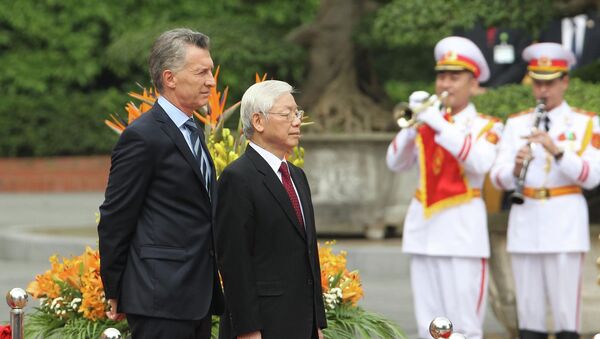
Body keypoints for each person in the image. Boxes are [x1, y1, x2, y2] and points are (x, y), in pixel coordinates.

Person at [97, 28, 224, 339]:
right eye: (202, 72)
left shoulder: (193, 129)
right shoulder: (142, 136)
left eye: (211, 71)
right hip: (160, 299)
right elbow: (116, 216)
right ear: (170, 78)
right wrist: (114, 287)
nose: (211, 80)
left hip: (196, 296)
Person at [386, 36, 503, 339]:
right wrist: (413, 128)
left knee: (464, 328)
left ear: (473, 83)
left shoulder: (487, 126)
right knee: (430, 326)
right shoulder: (426, 120)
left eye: (455, 77)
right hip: (424, 233)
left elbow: (480, 163)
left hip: (463, 235)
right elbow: (395, 162)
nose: (445, 84)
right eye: (441, 76)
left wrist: (439, 123)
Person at [490, 42, 600, 339]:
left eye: (550, 82)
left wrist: (557, 150)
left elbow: (592, 177)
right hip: (525, 221)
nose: (543, 90)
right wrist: (514, 168)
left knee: (566, 314)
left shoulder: (586, 122)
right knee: (529, 314)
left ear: (565, 81)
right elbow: (496, 176)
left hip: (565, 224)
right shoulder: (515, 124)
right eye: (538, 82)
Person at [215, 80, 326, 339]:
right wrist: (248, 329)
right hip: (264, 325)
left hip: (302, 324)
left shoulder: (296, 176)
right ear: (258, 121)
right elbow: (234, 262)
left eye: (297, 113)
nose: (297, 121)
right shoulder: (237, 178)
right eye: (286, 114)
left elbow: (309, 254)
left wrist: (317, 324)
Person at [455, 22, 531, 89]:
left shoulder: (515, 23)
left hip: (507, 89)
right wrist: (473, 85)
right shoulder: (467, 24)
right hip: (473, 89)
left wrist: (494, 88)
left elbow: (521, 62)